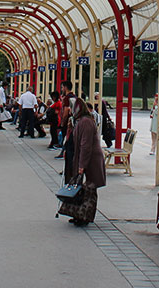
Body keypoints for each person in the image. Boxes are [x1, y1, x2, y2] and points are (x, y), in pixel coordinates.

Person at [67, 97, 106, 227]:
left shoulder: (85, 122)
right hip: (87, 158)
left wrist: (81, 166)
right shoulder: (81, 121)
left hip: (91, 160)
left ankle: (85, 215)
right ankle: (79, 214)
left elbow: (85, 145)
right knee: (83, 188)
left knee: (89, 189)